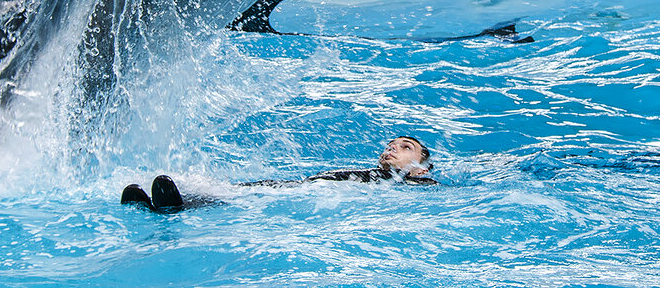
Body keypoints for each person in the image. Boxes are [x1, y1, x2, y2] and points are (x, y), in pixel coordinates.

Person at [121, 136, 437, 212]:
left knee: (240, 197)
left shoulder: (413, 181)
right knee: (234, 190)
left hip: (308, 196)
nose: (393, 148)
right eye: (391, 144)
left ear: (420, 165)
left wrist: (418, 178)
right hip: (300, 186)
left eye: (405, 147)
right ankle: (172, 204)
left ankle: (174, 208)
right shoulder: (378, 176)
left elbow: (430, 190)